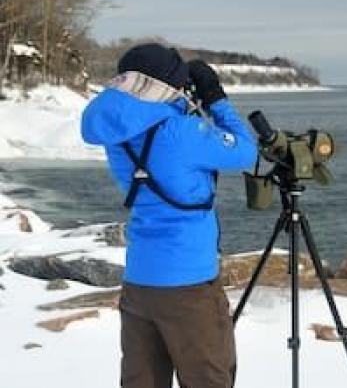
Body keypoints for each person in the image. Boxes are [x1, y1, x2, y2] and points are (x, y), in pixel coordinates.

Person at [81, 43, 257, 388]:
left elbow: (156, 132)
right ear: (164, 84)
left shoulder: (116, 134)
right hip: (188, 283)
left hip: (139, 281)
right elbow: (244, 151)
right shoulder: (181, 132)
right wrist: (215, 99)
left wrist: (181, 104)